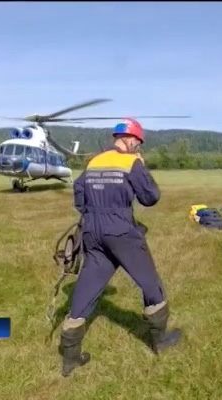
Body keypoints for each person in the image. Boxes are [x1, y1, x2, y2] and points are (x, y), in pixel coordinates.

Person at [58, 118, 182, 377]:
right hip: (121, 230)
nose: (138, 147)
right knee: (151, 284)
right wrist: (142, 170)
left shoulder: (94, 162)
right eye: (138, 143)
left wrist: (94, 214)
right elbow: (151, 198)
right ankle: (160, 341)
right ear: (131, 139)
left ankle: (69, 357)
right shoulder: (131, 162)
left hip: (92, 231)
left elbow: (79, 195)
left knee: (87, 287)